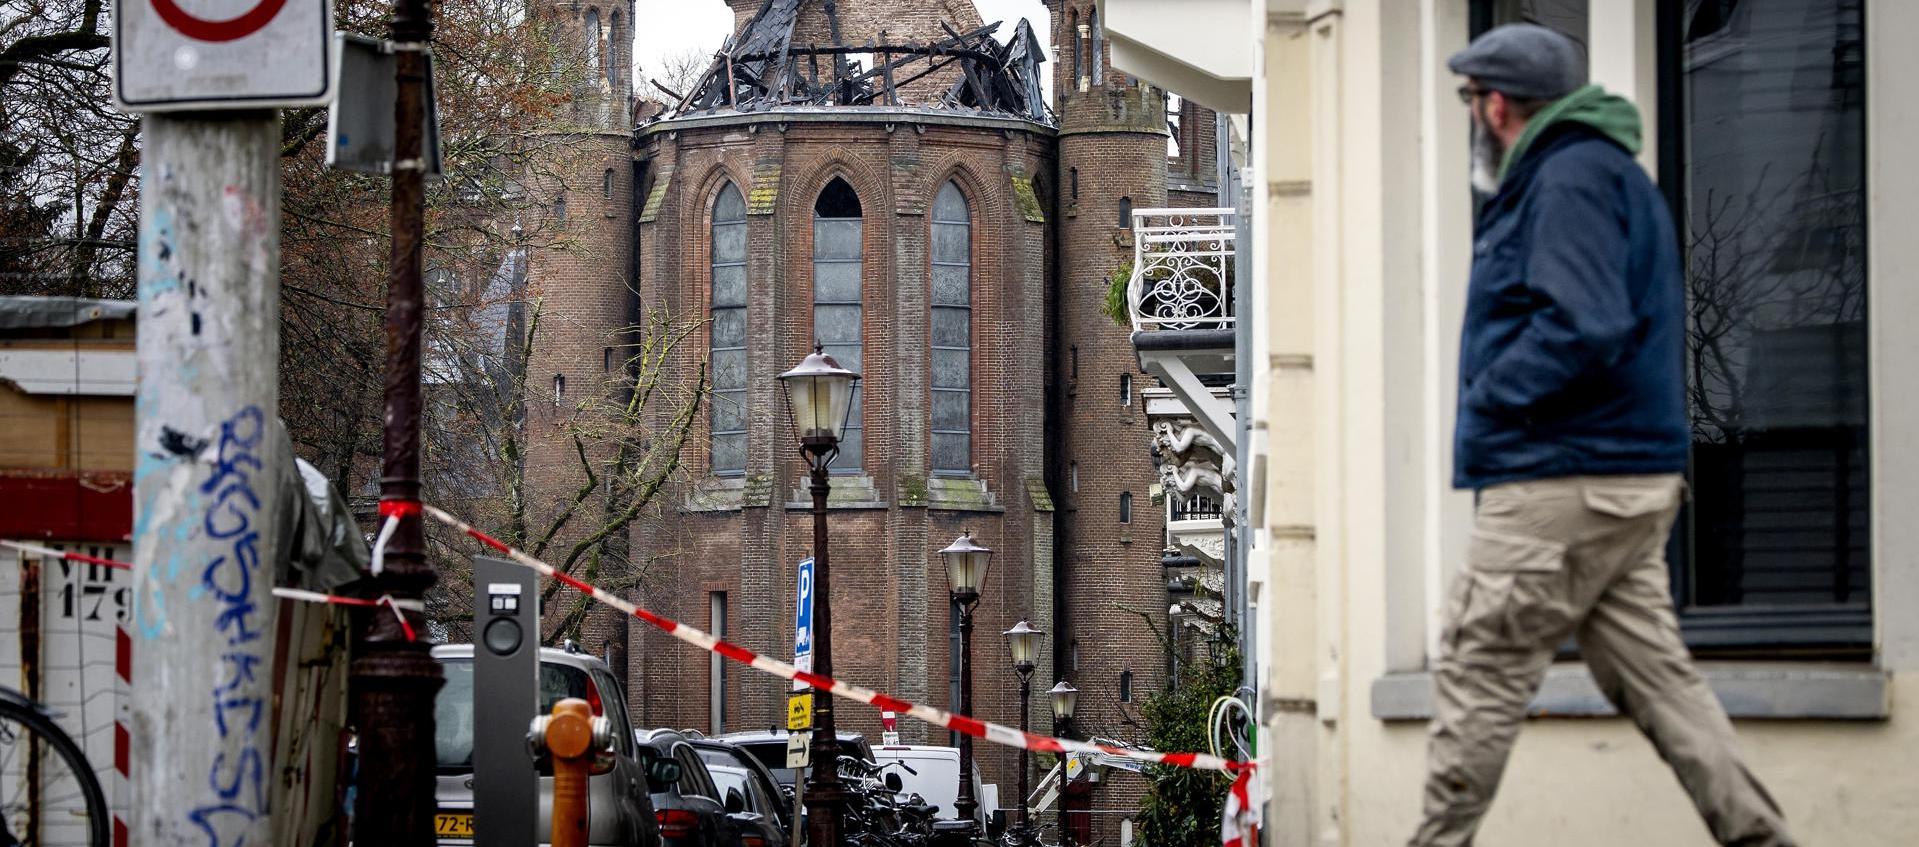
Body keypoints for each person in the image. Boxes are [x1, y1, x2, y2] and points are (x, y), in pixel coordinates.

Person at [1413, 23, 1796, 847]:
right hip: (1623, 478)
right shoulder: (1604, 172)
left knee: (1477, 669)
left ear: (1496, 105)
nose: (1470, 118)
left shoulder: (1567, 178)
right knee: (1660, 685)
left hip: (1560, 477)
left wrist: (1489, 396)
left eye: (1470, 100)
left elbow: (1582, 324)